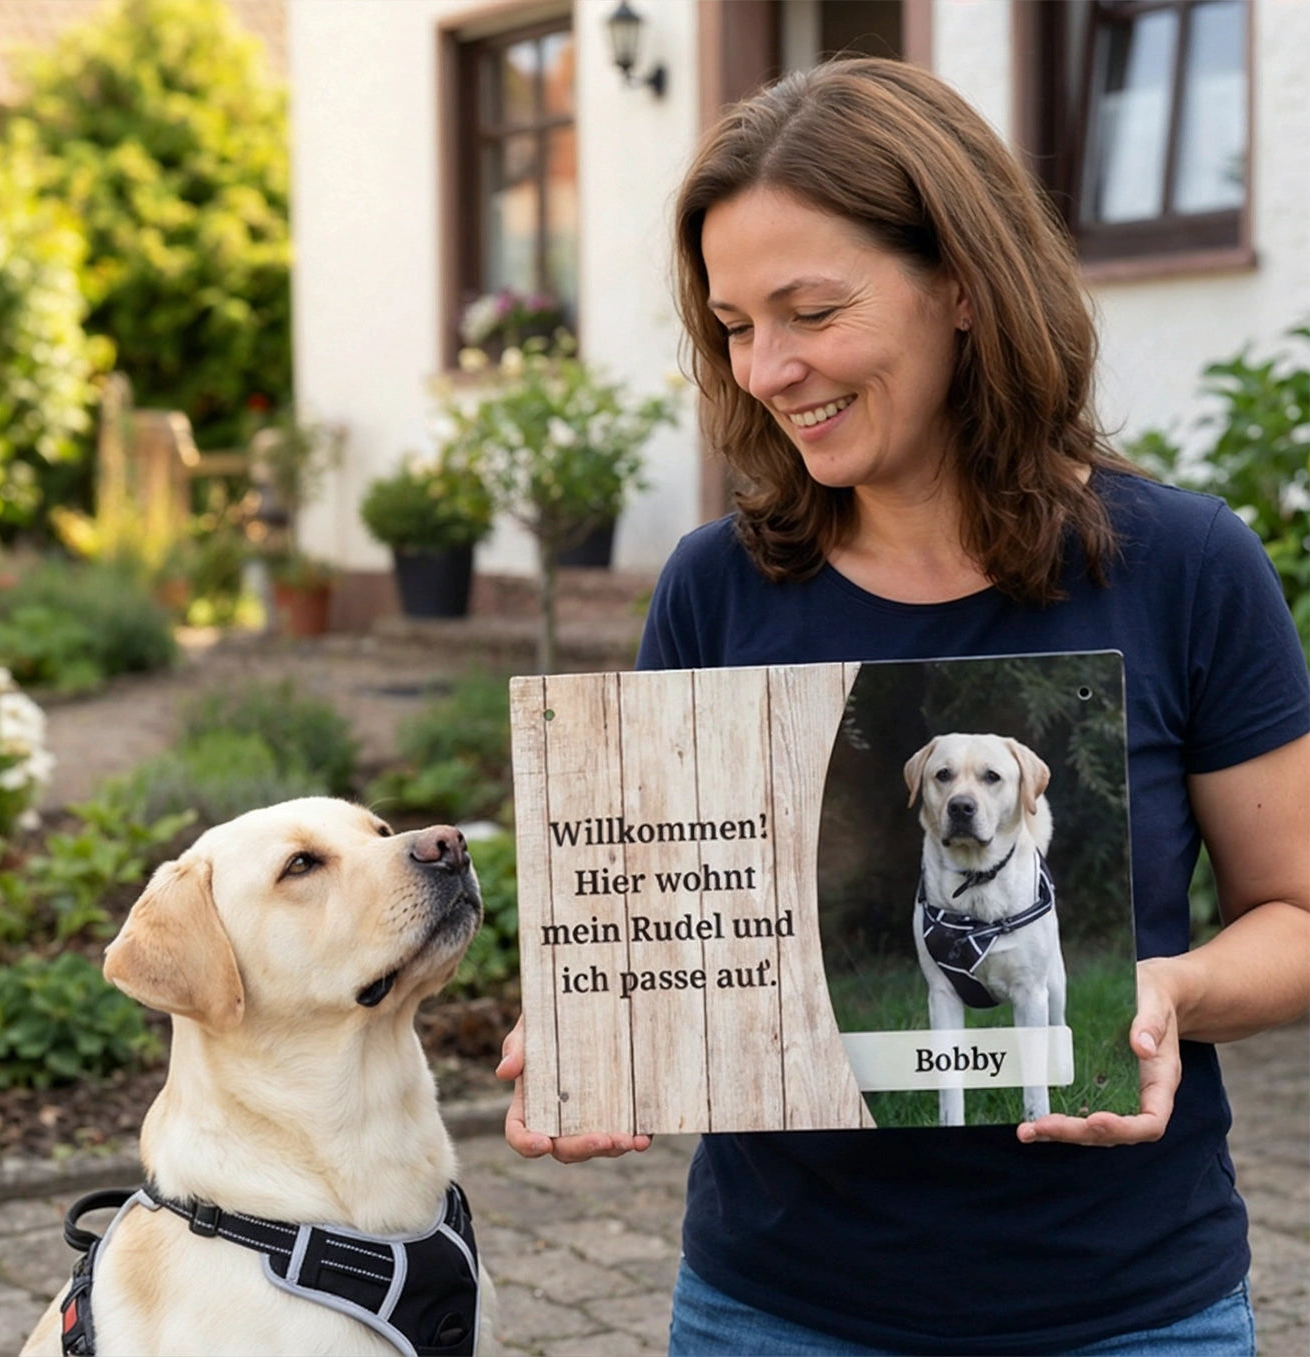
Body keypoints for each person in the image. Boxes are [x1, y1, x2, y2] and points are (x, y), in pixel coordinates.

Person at [497, 57, 1309, 1355]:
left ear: (966, 287)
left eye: (810, 311)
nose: (764, 368)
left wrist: (1158, 990)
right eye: (731, 325)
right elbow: (660, 907)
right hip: (779, 1307)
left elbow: (1299, 917)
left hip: (1124, 1306)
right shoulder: (712, 587)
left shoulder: (1185, 566)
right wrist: (605, 1006)